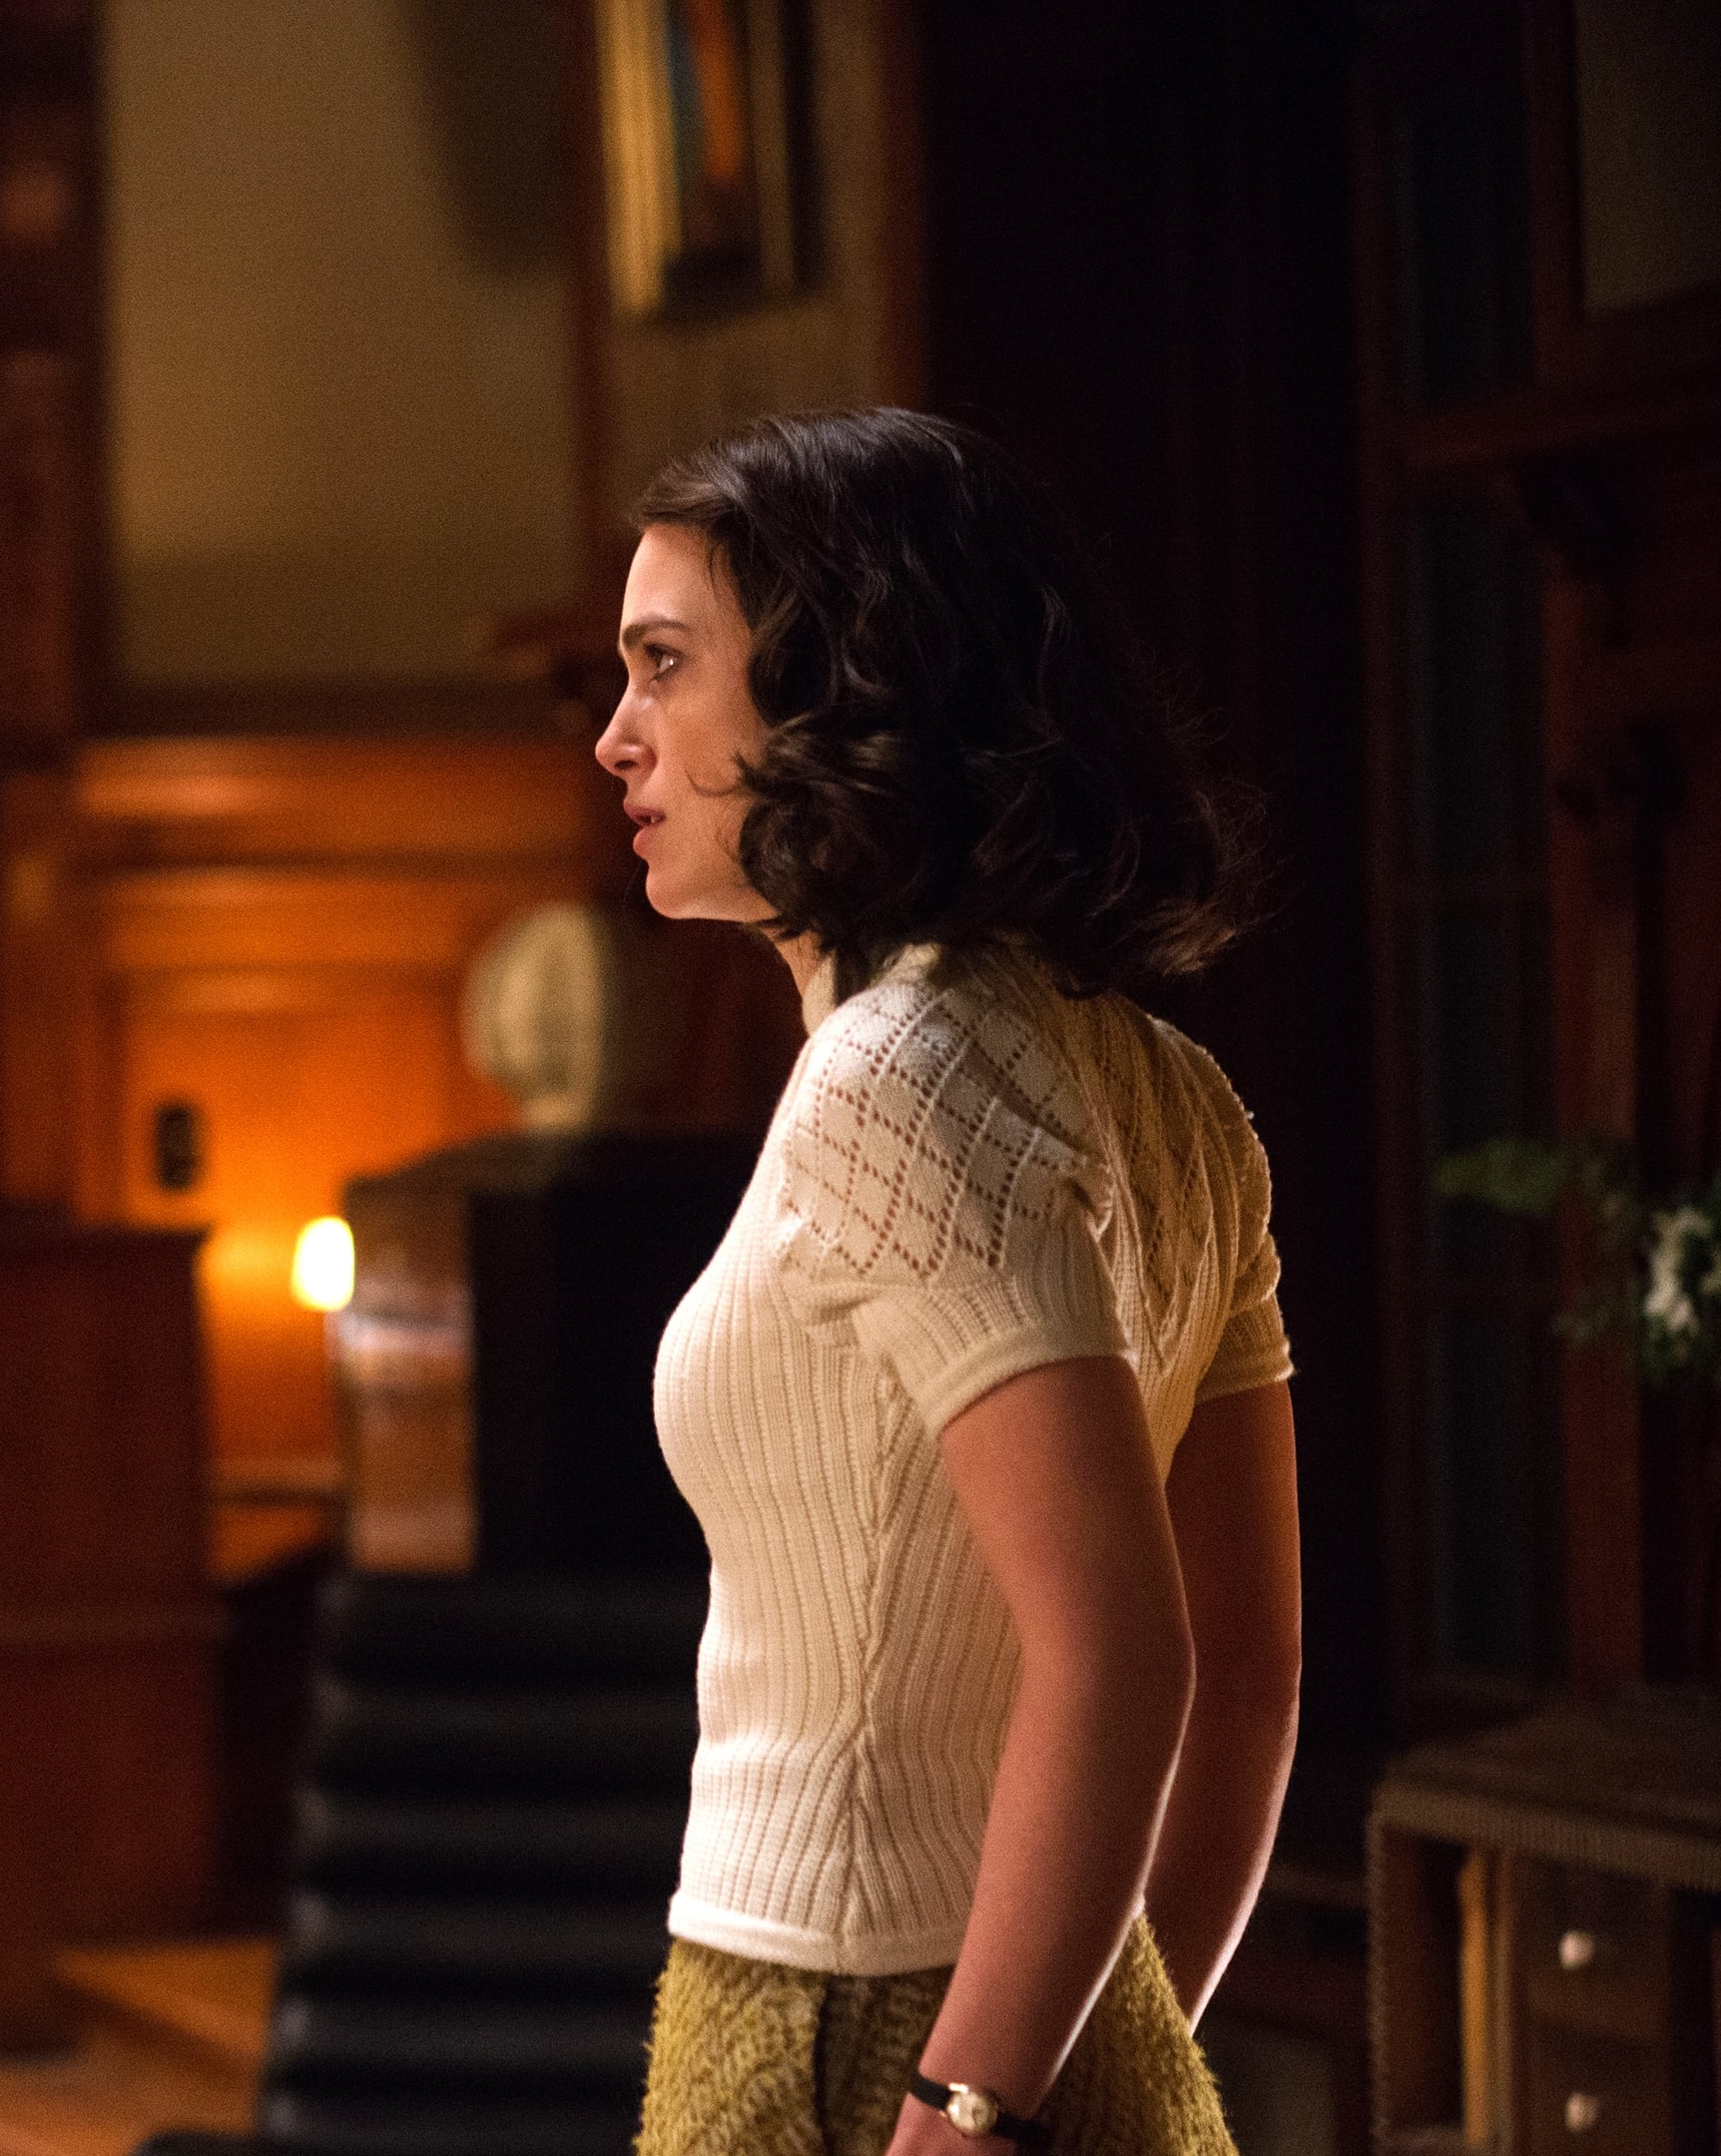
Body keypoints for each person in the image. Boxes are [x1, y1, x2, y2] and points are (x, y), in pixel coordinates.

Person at [596, 408, 1300, 2155]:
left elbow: (1128, 1648)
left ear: (839, 689)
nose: (616, 736)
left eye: (666, 666)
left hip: (833, 2022)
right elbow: (1248, 1672)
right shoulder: (1175, 1092)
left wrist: (966, 2109)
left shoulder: (895, 1077)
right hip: (1014, 2023)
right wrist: (1110, 2042)